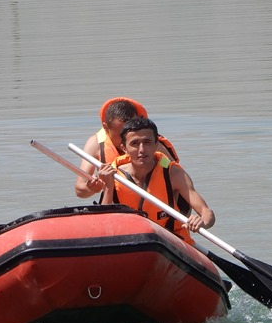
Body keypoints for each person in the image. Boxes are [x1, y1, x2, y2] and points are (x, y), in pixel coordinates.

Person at [95, 117, 214, 245]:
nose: (142, 149)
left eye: (147, 142)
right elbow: (103, 222)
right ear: (124, 148)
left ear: (156, 144)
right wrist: (108, 186)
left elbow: (207, 213)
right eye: (134, 143)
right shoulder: (114, 175)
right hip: (130, 242)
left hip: (171, 242)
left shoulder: (173, 173)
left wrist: (202, 222)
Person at [74, 97, 179, 199]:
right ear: (106, 128)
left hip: (159, 203)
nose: (127, 139)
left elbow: (177, 177)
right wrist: (93, 188)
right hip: (122, 205)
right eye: (121, 134)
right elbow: (79, 191)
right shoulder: (95, 144)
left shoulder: (151, 145)